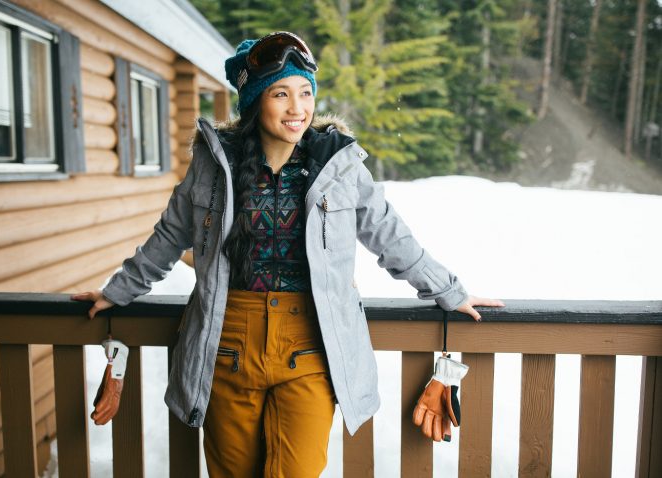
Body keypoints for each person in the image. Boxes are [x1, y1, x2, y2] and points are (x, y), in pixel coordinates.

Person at [71, 31, 504, 477]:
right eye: (281, 94)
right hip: (226, 343)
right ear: (255, 102)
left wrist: (450, 291)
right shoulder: (214, 163)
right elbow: (170, 235)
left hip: (311, 344)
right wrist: (117, 291)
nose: (298, 108)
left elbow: (389, 236)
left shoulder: (339, 165)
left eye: (305, 92)